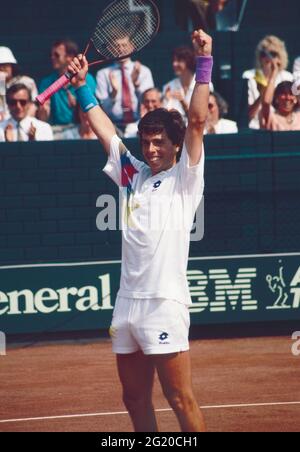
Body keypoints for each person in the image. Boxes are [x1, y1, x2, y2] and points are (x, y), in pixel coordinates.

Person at [67, 28, 212, 433]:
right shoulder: (133, 175)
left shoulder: (186, 178)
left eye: (159, 143)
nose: (150, 150)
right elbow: (105, 130)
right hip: (126, 304)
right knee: (132, 398)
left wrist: (204, 62)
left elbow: (197, 120)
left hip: (164, 302)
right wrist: (81, 86)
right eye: (146, 142)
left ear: (176, 145)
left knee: (179, 398)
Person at [37, 39, 96, 140]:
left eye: (56, 55)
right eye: (51, 55)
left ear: (70, 57)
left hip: (81, 128)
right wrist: (43, 112)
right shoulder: (46, 83)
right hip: (57, 129)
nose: (52, 58)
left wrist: (78, 104)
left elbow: (91, 110)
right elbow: (43, 119)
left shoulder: (88, 79)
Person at [95, 36, 154, 134]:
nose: (121, 49)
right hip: (112, 125)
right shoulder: (103, 74)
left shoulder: (144, 71)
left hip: (138, 124)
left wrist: (136, 85)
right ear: (110, 49)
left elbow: (149, 104)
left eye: (124, 45)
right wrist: (113, 93)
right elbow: (102, 109)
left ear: (132, 47)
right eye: (116, 46)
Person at [243, 35, 293, 129]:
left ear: (280, 57)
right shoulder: (250, 76)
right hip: (255, 127)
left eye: (273, 54)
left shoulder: (288, 77)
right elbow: (247, 115)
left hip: (281, 127)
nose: (268, 58)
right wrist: (262, 93)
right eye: (263, 54)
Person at [163, 46, 213, 124]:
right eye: (173, 60)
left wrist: (183, 101)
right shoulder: (168, 87)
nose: (174, 64)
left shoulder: (205, 86)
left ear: (189, 62)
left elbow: (204, 113)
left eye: (179, 60)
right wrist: (166, 100)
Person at [0, 46, 38, 121]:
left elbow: (34, 105)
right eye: (0, 66)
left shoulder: (27, 81)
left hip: (25, 123)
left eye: (5, 65)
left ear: (12, 65)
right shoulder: (1, 85)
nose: (2, 68)